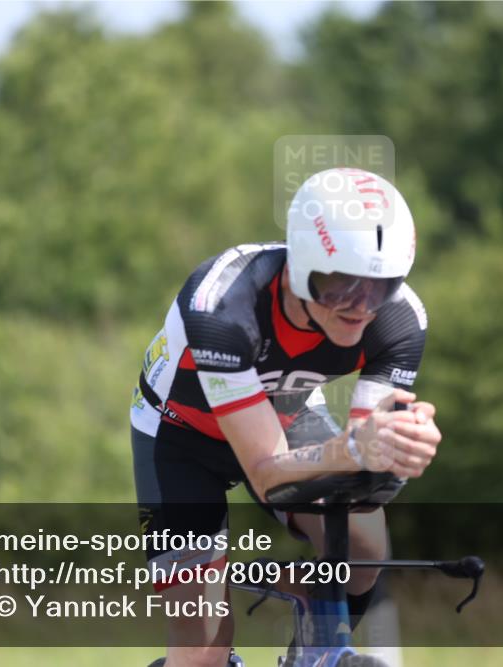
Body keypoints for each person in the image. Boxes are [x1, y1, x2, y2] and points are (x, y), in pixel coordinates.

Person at [130, 167, 441, 667]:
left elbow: (362, 455)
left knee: (364, 543)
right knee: (202, 645)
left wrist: (397, 446)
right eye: (341, 285)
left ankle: (311, 647)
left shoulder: (401, 321)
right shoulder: (224, 305)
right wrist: (356, 447)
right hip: (180, 435)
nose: (360, 308)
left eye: (380, 287)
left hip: (284, 412)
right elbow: (267, 470)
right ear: (300, 265)